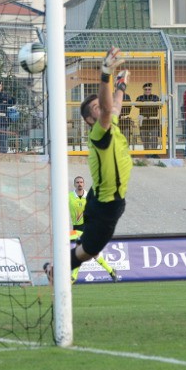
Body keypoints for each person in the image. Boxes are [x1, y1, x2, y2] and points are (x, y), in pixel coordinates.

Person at [44, 46, 131, 284]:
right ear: (89, 120)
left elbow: (115, 105)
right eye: (95, 108)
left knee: (88, 248)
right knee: (88, 252)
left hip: (102, 196)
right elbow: (107, 108)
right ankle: (55, 270)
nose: (103, 109)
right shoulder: (98, 133)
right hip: (106, 204)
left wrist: (121, 85)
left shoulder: (110, 121)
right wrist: (106, 73)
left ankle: (58, 267)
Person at [68, 176, 118, 283]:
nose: (79, 184)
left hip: (87, 227)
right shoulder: (69, 196)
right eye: (77, 182)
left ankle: (73, 277)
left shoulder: (89, 196)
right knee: (92, 254)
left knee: (77, 247)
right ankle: (111, 271)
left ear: (84, 184)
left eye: (81, 182)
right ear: (74, 184)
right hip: (76, 227)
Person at [135, 82, 162, 152]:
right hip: (144, 121)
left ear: (151, 90)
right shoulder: (140, 97)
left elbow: (159, 105)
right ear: (143, 90)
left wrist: (144, 104)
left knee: (154, 138)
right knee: (144, 138)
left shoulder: (155, 97)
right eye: (146, 89)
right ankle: (147, 152)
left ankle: (154, 152)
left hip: (153, 121)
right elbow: (136, 104)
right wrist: (151, 104)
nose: (147, 91)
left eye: (149, 89)